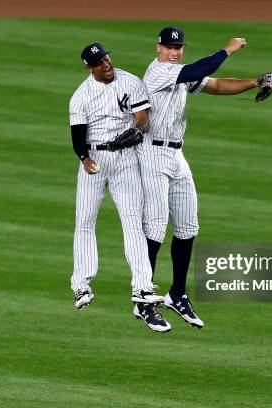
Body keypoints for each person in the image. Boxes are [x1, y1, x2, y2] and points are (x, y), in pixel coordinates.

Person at [140, 27, 272, 328]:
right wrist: (227, 50)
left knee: (188, 225)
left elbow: (216, 85)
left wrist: (254, 82)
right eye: (169, 47)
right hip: (151, 155)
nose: (174, 52)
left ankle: (177, 294)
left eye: (179, 47)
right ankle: (143, 298)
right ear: (158, 48)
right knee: (157, 226)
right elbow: (203, 68)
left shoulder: (181, 74)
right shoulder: (158, 71)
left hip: (176, 155)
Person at [69, 42, 171, 332]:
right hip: (95, 158)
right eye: (99, 62)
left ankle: (142, 286)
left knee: (133, 223)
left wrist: (137, 131)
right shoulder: (80, 97)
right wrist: (84, 158)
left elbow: (142, 119)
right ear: (89, 68)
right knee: (85, 222)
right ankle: (81, 285)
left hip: (125, 160)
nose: (106, 64)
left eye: (107, 58)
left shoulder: (130, 81)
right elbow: (77, 136)